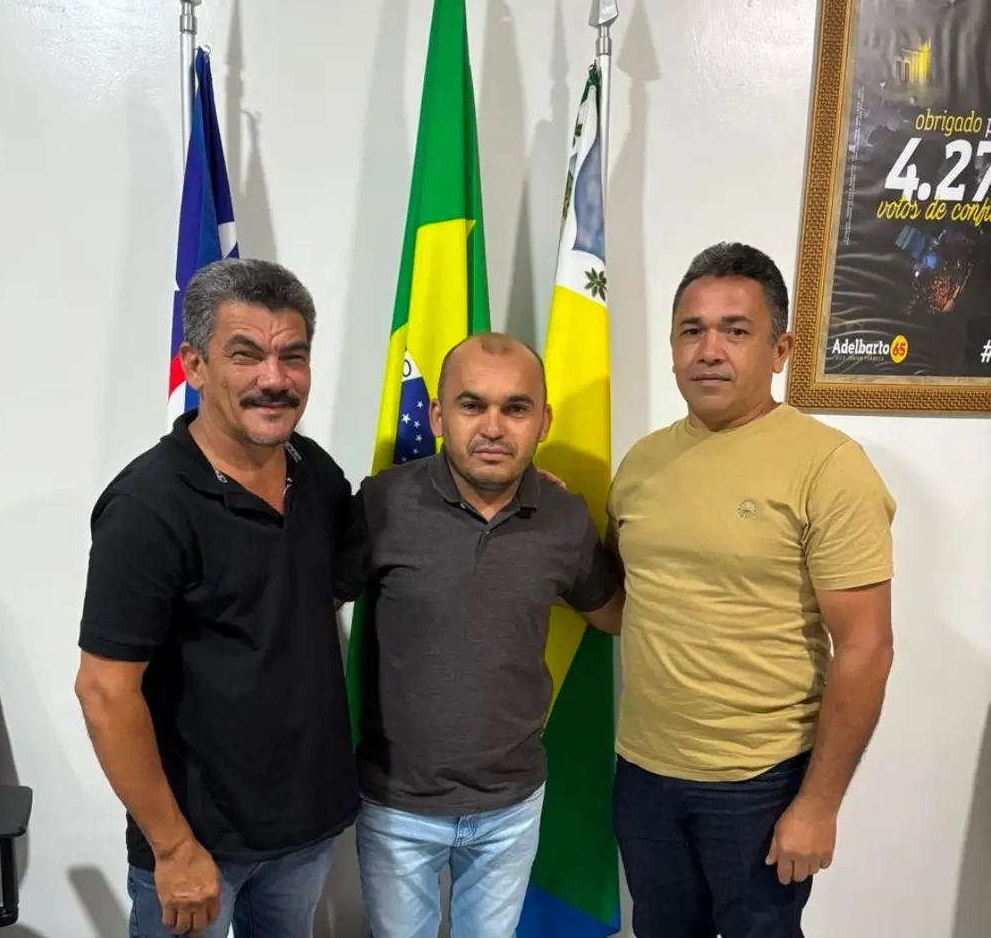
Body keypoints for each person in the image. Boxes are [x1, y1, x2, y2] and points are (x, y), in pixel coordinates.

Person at [608, 242, 896, 938]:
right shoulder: (642, 463)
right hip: (644, 772)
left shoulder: (828, 466)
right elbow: (628, 604)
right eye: (692, 329)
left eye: (735, 330)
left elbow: (866, 646)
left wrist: (818, 803)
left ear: (779, 349)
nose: (710, 349)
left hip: (760, 783)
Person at [74, 258, 364, 938]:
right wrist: (174, 848)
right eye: (246, 354)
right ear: (195, 365)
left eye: (293, 355)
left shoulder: (312, 470)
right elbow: (104, 692)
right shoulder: (148, 506)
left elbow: (349, 568)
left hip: (304, 831)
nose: (274, 377)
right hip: (197, 847)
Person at [343, 332, 624, 938]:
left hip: (511, 806)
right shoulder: (381, 502)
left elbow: (617, 615)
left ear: (543, 421)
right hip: (397, 805)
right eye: (472, 405)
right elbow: (303, 603)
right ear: (440, 416)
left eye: (515, 408)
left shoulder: (565, 518)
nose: (493, 426)